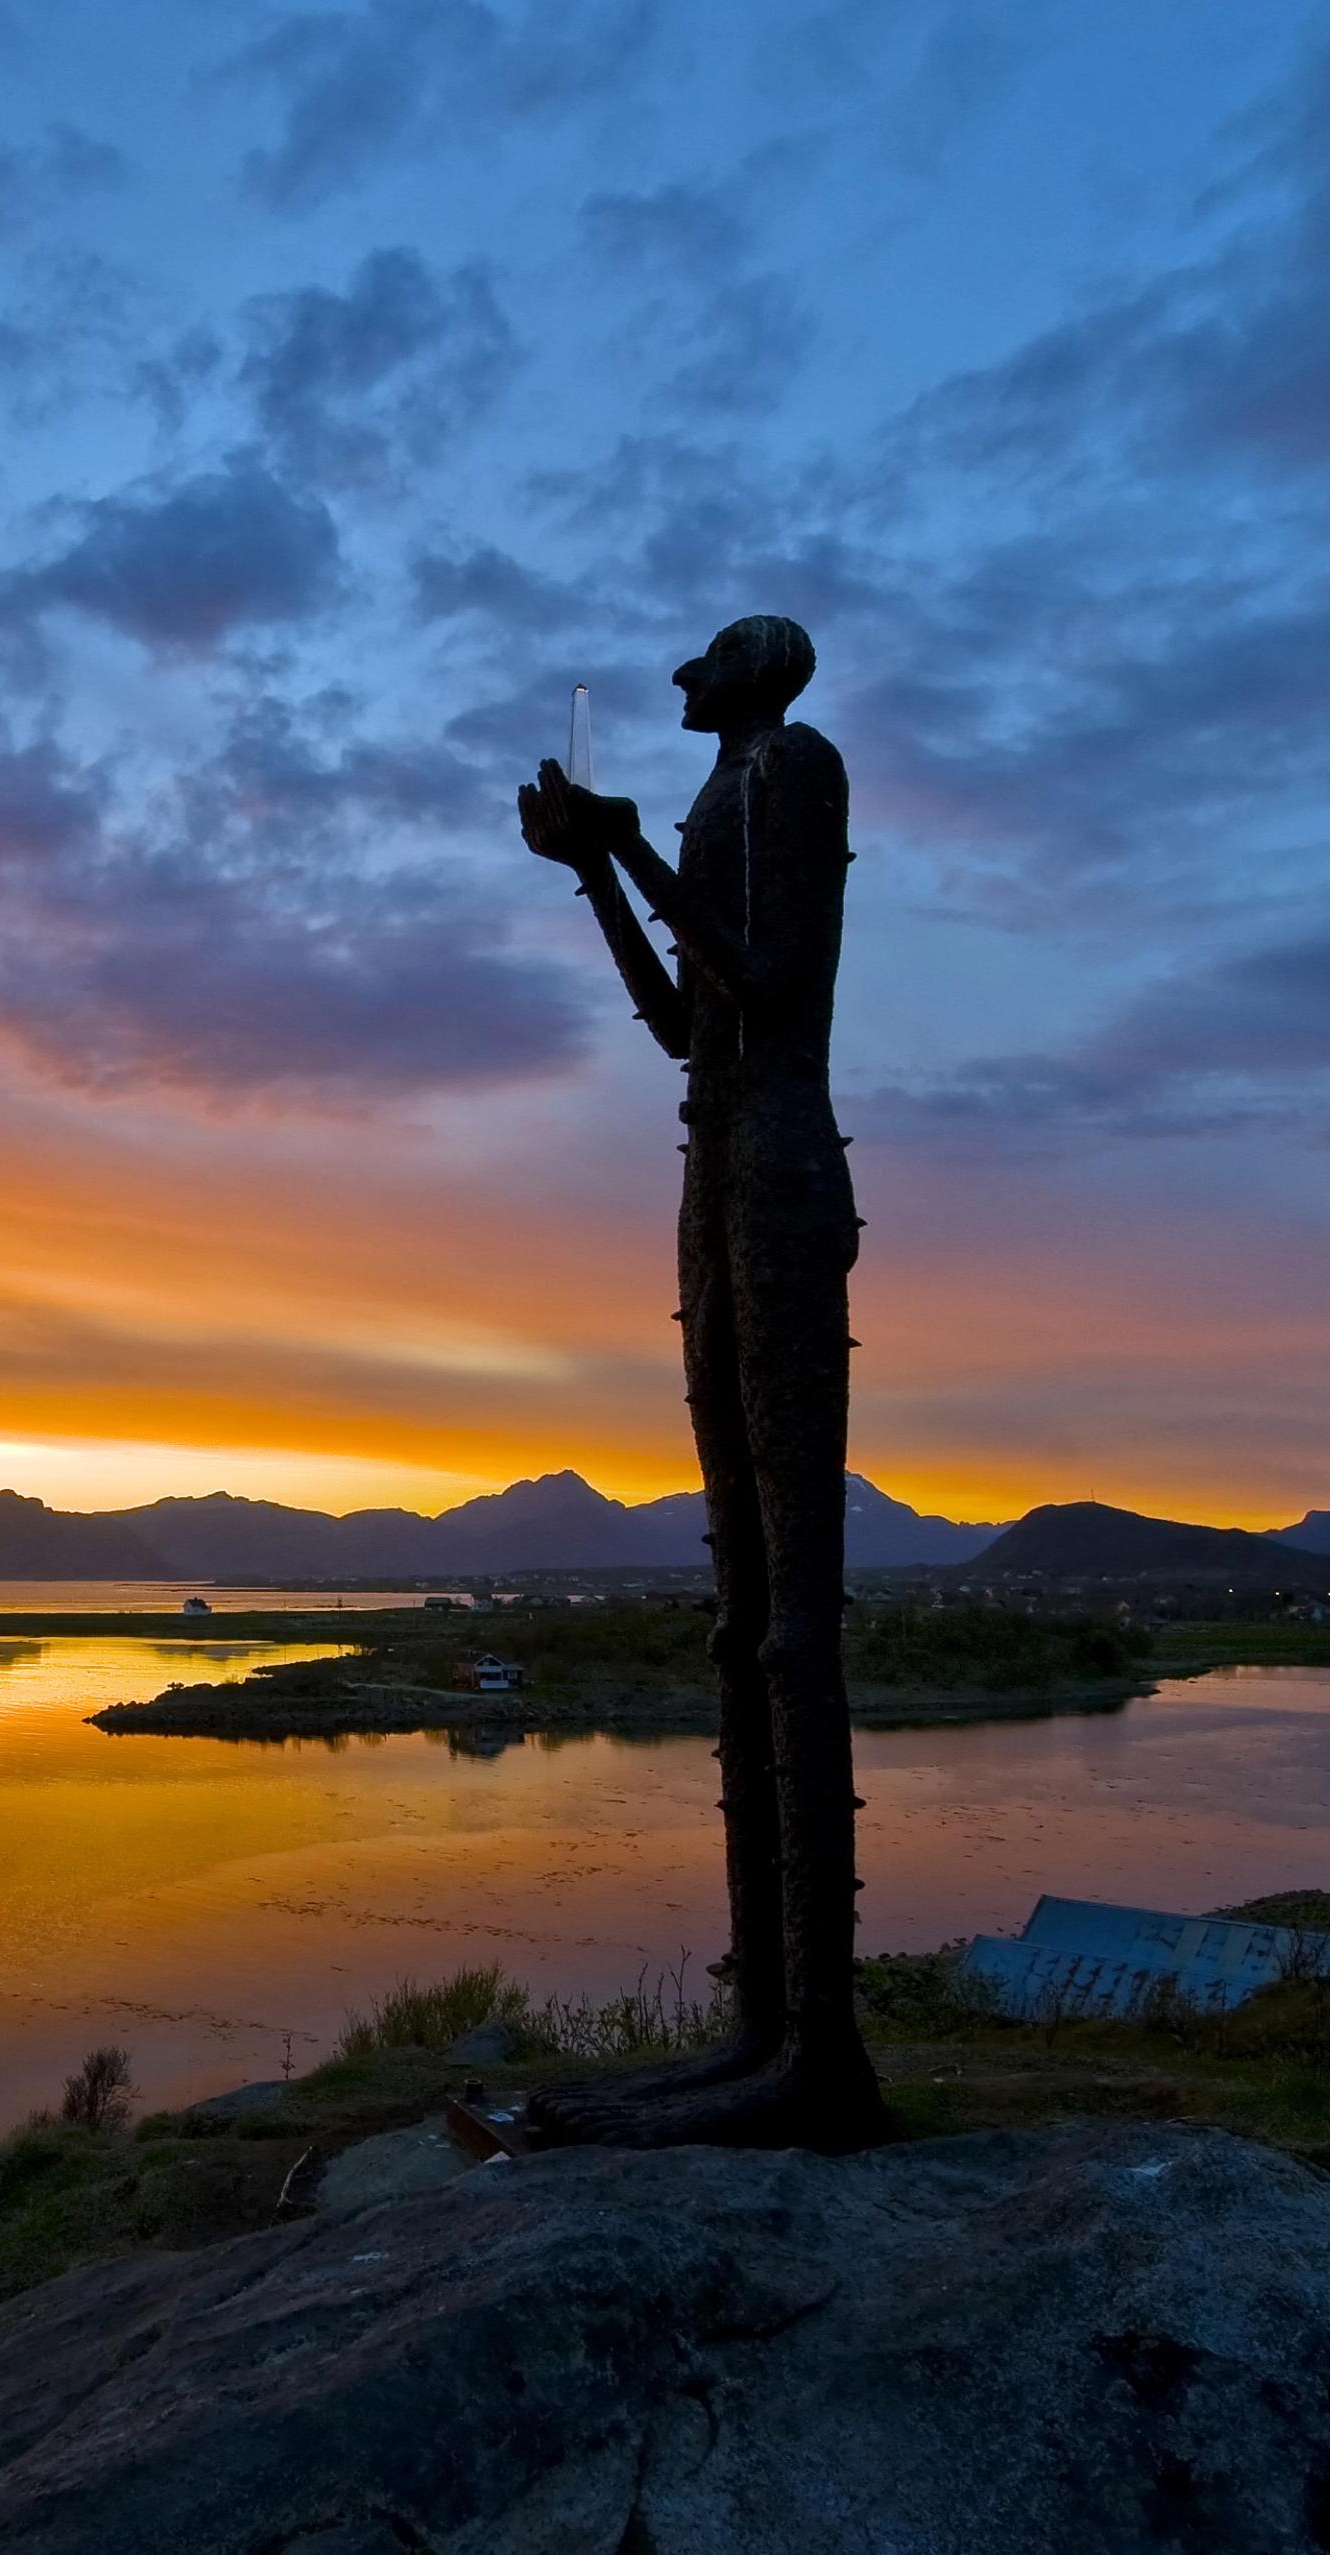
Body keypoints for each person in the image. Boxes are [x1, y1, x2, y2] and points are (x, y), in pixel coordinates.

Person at [513, 614, 887, 2152]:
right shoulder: (717, 800)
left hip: (785, 1179)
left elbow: (775, 982)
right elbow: (687, 1024)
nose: (674, 682)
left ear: (765, 672)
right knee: (740, 1607)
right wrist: (599, 871)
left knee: (796, 1616)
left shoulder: (795, 770)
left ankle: (818, 2050)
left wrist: (631, 853)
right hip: (712, 1182)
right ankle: (757, 2024)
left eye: (703, 661)